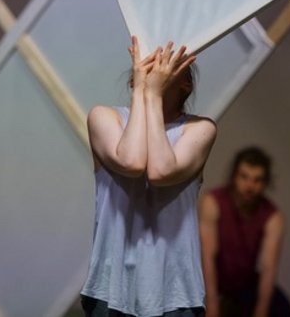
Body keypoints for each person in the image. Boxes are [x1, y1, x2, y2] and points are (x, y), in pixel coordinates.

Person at [81, 36, 218, 317]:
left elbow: (160, 170)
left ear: (186, 83)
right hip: (110, 290)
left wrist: (152, 96)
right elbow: (131, 161)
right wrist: (144, 93)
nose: (156, 69)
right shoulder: (105, 117)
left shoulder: (200, 129)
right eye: (148, 64)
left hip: (177, 293)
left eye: (167, 63)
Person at [199, 147, 290, 317]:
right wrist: (211, 304)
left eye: (257, 180)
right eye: (244, 177)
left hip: (244, 282)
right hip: (212, 279)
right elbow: (207, 257)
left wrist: (261, 311)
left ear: (265, 183)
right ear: (234, 176)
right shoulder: (213, 202)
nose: (250, 186)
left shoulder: (272, 217)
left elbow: (268, 268)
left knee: (282, 309)